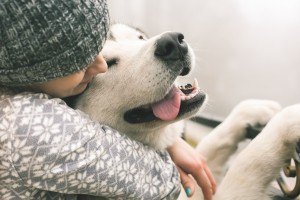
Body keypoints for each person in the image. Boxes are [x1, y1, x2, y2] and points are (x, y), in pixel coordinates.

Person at [0, 0, 216, 199]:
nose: (100, 66)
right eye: (80, 61)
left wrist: (170, 141)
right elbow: (165, 183)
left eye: (139, 37)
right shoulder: (28, 127)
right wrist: (165, 148)